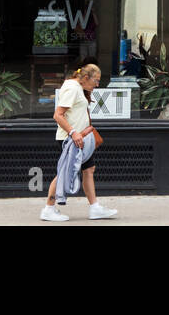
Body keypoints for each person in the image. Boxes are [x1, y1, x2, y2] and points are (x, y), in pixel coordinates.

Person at [40, 63, 117, 221]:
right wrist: (73, 133)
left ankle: (95, 208)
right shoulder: (72, 87)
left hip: (80, 139)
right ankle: (48, 208)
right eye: (96, 81)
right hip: (70, 139)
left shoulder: (78, 87)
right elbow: (58, 115)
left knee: (89, 169)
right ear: (86, 78)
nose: (97, 84)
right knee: (64, 172)